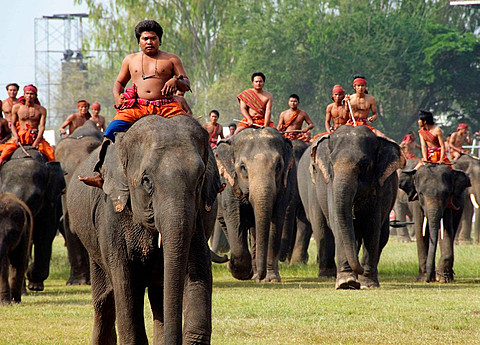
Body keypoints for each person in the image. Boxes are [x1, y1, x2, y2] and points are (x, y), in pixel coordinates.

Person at [79, 19, 190, 188]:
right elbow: (119, 84)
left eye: (153, 38)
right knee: (110, 131)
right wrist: (118, 98)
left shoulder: (172, 59)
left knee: (192, 131)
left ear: (160, 40)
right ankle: (101, 174)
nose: (149, 42)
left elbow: (187, 84)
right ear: (139, 41)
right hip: (137, 107)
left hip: (166, 106)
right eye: (145, 39)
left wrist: (176, 80)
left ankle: (209, 179)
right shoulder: (130, 60)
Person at [0, 85, 55, 164]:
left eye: (32, 94)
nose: (29, 96)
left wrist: (37, 141)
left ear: (35, 96)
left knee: (51, 154)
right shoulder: (17, 108)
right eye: (27, 93)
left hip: (35, 136)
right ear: (24, 95)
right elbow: (12, 124)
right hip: (20, 136)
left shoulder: (41, 110)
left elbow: (42, 127)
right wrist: (15, 136)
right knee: (4, 154)